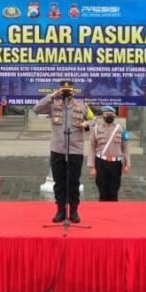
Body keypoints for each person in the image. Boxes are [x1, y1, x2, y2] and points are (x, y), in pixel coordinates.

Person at [33, 81, 92, 223]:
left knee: (73, 182)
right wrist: (52, 95)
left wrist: (87, 124)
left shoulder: (82, 106)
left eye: (68, 90)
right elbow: (36, 109)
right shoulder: (53, 105)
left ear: (73, 91)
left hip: (75, 149)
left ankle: (74, 211)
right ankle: (60, 210)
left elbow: (94, 120)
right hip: (58, 149)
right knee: (59, 182)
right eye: (63, 89)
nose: (66, 92)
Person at [87, 106, 130, 201]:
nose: (109, 116)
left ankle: (113, 210)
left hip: (116, 164)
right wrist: (91, 167)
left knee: (114, 191)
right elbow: (91, 148)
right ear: (103, 115)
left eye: (111, 114)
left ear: (114, 115)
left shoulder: (121, 129)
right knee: (102, 191)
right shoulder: (96, 129)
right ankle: (103, 210)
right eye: (107, 114)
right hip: (101, 163)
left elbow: (125, 148)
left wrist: (127, 164)